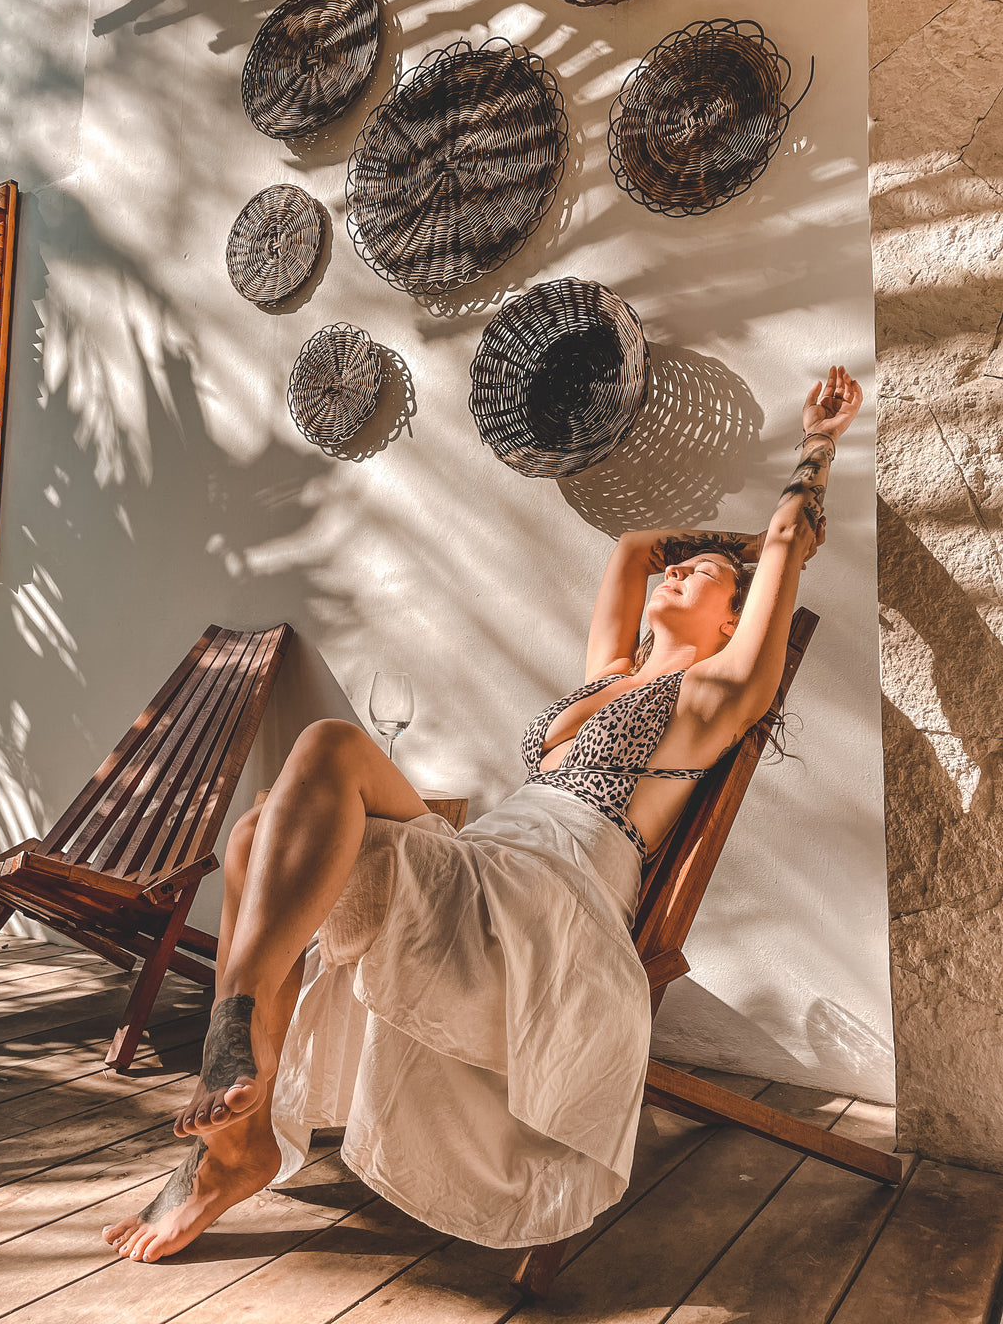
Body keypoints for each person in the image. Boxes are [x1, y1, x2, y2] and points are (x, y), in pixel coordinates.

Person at [103, 364, 862, 1263]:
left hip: (551, 900)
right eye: (690, 562)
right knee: (256, 826)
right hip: (489, 862)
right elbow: (632, 547)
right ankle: (236, 1146)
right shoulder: (607, 679)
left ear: (737, 625)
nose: (685, 566)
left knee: (332, 747)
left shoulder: (717, 693)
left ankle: (231, 1046)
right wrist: (709, 556)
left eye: (709, 576)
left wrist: (815, 452)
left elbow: (782, 541)